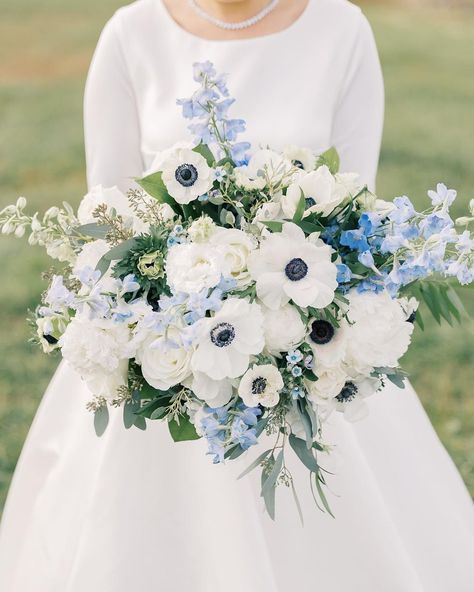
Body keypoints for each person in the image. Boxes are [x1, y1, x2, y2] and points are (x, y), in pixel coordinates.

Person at [0, 1, 473, 590]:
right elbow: (109, 217)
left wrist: (285, 317)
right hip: (163, 345)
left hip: (303, 339)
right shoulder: (132, 33)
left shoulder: (341, 29)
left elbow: (355, 207)